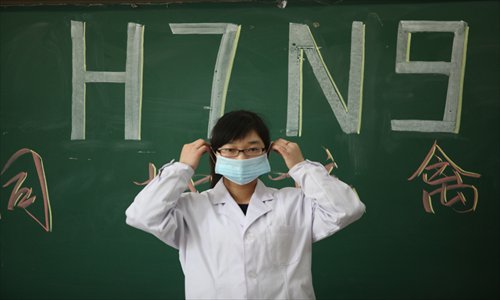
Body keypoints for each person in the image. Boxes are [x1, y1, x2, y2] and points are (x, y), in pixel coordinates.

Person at [125, 110, 365, 299]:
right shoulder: (191, 208)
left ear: (266, 152)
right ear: (215, 154)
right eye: (230, 149)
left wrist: (301, 167)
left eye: (252, 149)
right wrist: (182, 169)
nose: (241, 157)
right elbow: (141, 215)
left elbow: (347, 209)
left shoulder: (294, 203)